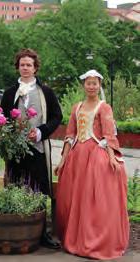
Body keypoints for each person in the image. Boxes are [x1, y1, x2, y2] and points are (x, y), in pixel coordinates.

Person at [56, 70, 129, 260]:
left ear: (99, 85)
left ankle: (93, 238)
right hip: (77, 156)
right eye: (88, 83)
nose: (91, 86)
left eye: (95, 83)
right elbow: (70, 134)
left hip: (95, 155)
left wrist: (111, 157)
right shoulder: (76, 107)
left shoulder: (104, 107)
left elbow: (108, 135)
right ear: (84, 85)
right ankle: (75, 237)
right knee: (76, 197)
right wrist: (63, 159)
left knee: (91, 199)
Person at [0, 48, 62, 248]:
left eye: (29, 65)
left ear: (35, 68)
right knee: (16, 186)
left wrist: (41, 131)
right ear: (17, 67)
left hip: (38, 149)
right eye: (22, 64)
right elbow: (1, 119)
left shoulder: (46, 92)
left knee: (40, 190)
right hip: (15, 149)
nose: (25, 68)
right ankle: (16, 232)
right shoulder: (10, 93)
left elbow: (57, 117)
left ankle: (42, 233)